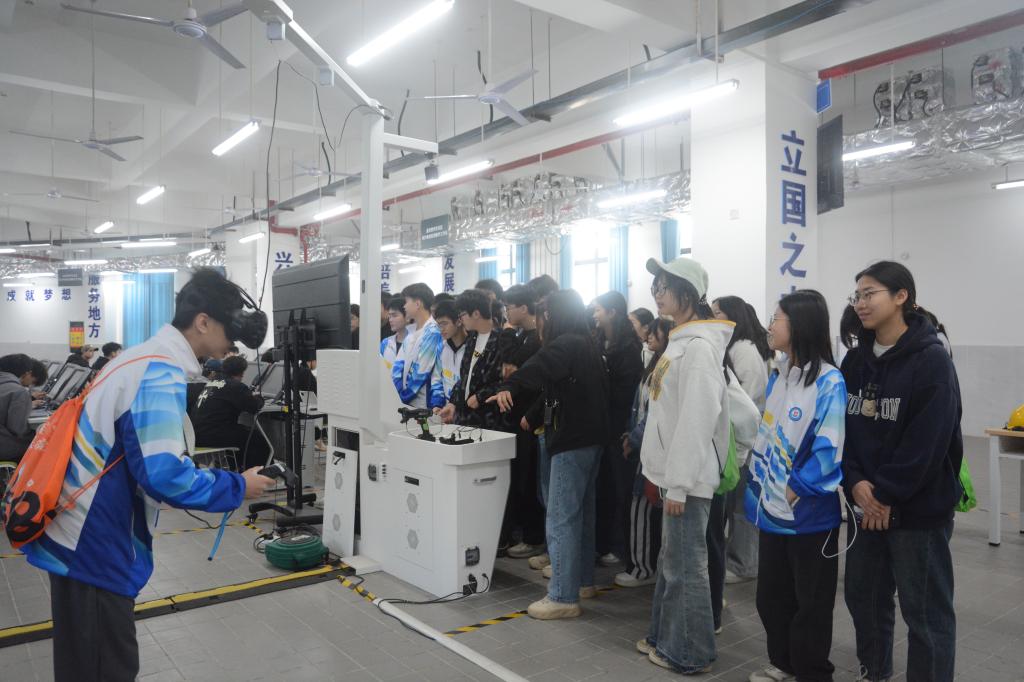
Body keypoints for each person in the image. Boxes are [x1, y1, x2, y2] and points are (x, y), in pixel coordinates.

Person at [19, 268, 274, 682]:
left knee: (85, 664)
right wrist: (238, 485)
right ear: (203, 322)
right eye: (230, 332)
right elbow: (164, 474)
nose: (233, 345)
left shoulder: (138, 358)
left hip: (77, 532)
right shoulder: (159, 371)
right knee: (105, 668)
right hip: (95, 542)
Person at [841, 261, 962, 682]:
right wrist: (856, 483)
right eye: (857, 296)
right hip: (865, 505)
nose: (860, 303)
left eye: (869, 293)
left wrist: (886, 494)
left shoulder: (931, 361)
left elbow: (929, 441)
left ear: (901, 296)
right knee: (864, 598)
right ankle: (874, 672)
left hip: (917, 512)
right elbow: (843, 431)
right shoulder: (854, 362)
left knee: (925, 614)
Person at [638, 256, 759, 675]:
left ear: (688, 292)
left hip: (687, 481)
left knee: (686, 568)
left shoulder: (700, 348)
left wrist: (681, 482)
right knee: (672, 564)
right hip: (674, 475)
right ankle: (663, 638)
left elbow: (696, 419)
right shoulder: (682, 341)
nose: (657, 293)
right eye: (655, 286)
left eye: (665, 286)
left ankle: (691, 653)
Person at [487, 289, 609, 620]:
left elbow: (536, 368)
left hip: (572, 441)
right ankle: (581, 582)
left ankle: (562, 596)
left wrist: (509, 386)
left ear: (552, 316)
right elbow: (556, 391)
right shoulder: (585, 344)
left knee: (561, 517)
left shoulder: (566, 344)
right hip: (590, 440)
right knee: (581, 515)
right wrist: (535, 412)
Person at [745, 290, 847, 682]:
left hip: (809, 516)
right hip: (771, 512)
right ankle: (784, 662)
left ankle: (812, 672)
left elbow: (829, 448)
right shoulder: (780, 375)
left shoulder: (830, 381)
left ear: (800, 324)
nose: (770, 325)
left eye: (777, 318)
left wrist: (795, 488)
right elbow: (767, 433)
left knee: (812, 603)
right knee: (771, 596)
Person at [712, 296, 772, 587]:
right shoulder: (735, 347)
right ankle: (739, 558)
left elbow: (746, 400)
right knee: (736, 503)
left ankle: (745, 562)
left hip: (746, 437)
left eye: (718, 313)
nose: (714, 318)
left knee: (742, 505)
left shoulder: (744, 349)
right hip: (738, 435)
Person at [616, 317, 672, 588]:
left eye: (655, 333)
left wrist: (634, 438)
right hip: (644, 445)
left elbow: (654, 413)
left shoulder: (667, 366)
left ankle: (642, 568)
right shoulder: (655, 364)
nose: (649, 337)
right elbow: (639, 407)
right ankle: (645, 565)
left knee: (641, 507)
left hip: (652, 447)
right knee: (642, 507)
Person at [494, 284, 545, 559]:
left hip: (533, 417)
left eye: (509, 307)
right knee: (519, 477)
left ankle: (534, 537)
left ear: (524, 308)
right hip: (516, 415)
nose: (506, 313)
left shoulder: (537, 337)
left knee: (531, 479)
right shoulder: (522, 335)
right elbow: (509, 364)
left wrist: (505, 332)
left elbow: (516, 363)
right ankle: (524, 532)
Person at [593, 291, 644, 567]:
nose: (594, 315)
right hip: (601, 428)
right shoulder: (599, 340)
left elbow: (624, 395)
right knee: (603, 488)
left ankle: (620, 547)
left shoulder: (628, 348)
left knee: (619, 490)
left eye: (598, 309)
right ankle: (603, 544)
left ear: (612, 312)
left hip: (619, 428)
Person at [438, 289, 502, 428]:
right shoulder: (472, 338)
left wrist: (480, 396)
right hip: (466, 417)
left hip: (490, 419)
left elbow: (504, 380)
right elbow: (465, 376)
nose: (461, 320)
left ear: (476, 314)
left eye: (462, 315)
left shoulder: (501, 340)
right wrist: (453, 403)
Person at [192, 355, 267, 470]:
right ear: (242, 373)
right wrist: (259, 398)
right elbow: (254, 407)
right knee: (256, 439)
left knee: (242, 433)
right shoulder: (235, 386)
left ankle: (238, 470)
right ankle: (257, 474)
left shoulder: (212, 383)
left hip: (197, 434)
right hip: (213, 436)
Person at [392, 283, 445, 410]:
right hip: (406, 401)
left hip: (422, 403)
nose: (404, 306)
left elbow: (422, 371)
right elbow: (398, 365)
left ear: (417, 304)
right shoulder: (410, 333)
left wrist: (403, 396)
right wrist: (397, 392)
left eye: (406, 302)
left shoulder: (433, 332)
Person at [0, 353, 39, 460]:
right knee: (43, 443)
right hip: (3, 448)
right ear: (27, 373)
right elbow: (17, 429)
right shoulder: (18, 392)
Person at [433, 300, 467, 402]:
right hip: (444, 408)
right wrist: (437, 404)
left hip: (464, 408)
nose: (441, 329)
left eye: (444, 323)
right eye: (438, 325)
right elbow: (436, 379)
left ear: (459, 321)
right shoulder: (441, 347)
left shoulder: (472, 349)